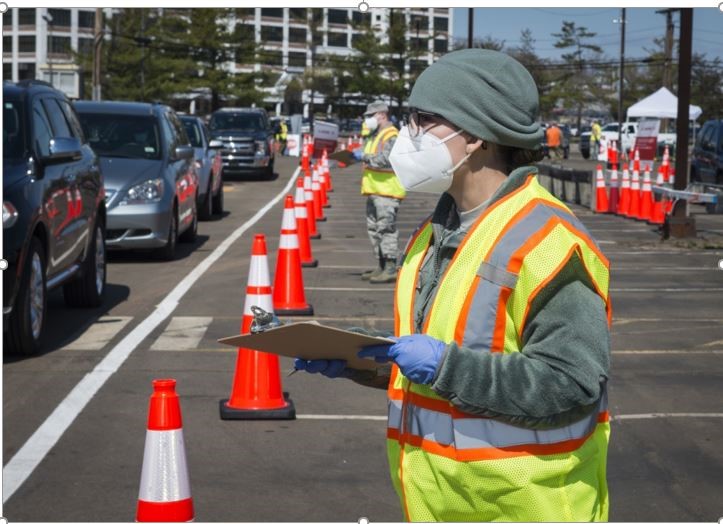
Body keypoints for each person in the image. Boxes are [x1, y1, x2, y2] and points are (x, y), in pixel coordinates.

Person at [294, 49, 611, 522]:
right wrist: (364, 364)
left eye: (424, 119)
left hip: (530, 509)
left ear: (476, 136)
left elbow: (569, 384)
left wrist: (444, 366)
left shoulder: (549, 242)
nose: (409, 135)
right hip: (441, 505)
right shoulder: (431, 234)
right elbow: (445, 366)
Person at [356, 100, 406, 284]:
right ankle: (381, 265)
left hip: (388, 192)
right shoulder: (376, 134)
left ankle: (391, 267)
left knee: (386, 229)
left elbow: (386, 159)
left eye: (370, 116)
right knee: (374, 230)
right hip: (374, 190)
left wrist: (364, 157)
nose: (368, 120)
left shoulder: (391, 135)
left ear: (382, 115)